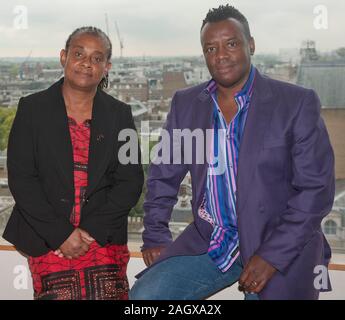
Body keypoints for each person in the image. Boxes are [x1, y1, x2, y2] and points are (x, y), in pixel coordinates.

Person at [129, 5, 335, 300]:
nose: (220, 55)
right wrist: (155, 233)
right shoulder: (187, 104)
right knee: (145, 299)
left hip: (278, 244)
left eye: (231, 44)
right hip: (212, 242)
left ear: (250, 45)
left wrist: (272, 257)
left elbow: (315, 192)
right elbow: (163, 174)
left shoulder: (295, 103)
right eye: (210, 48)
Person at [3, 26, 143, 300]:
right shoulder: (32, 109)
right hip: (47, 237)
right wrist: (61, 235)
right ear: (63, 57)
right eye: (79, 54)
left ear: (107, 67)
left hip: (102, 237)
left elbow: (130, 180)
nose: (86, 63)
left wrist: (89, 232)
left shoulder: (120, 115)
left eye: (96, 57)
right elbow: (22, 178)